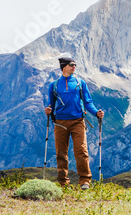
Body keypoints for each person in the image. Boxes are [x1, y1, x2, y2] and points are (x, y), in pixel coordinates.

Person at [44, 56, 104, 189]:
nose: (74, 67)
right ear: (64, 66)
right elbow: (51, 104)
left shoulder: (80, 83)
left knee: (81, 150)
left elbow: (88, 102)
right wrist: (48, 110)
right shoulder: (53, 85)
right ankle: (62, 182)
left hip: (78, 121)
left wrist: (96, 113)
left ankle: (85, 181)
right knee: (61, 153)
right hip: (60, 122)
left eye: (75, 64)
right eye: (71, 64)